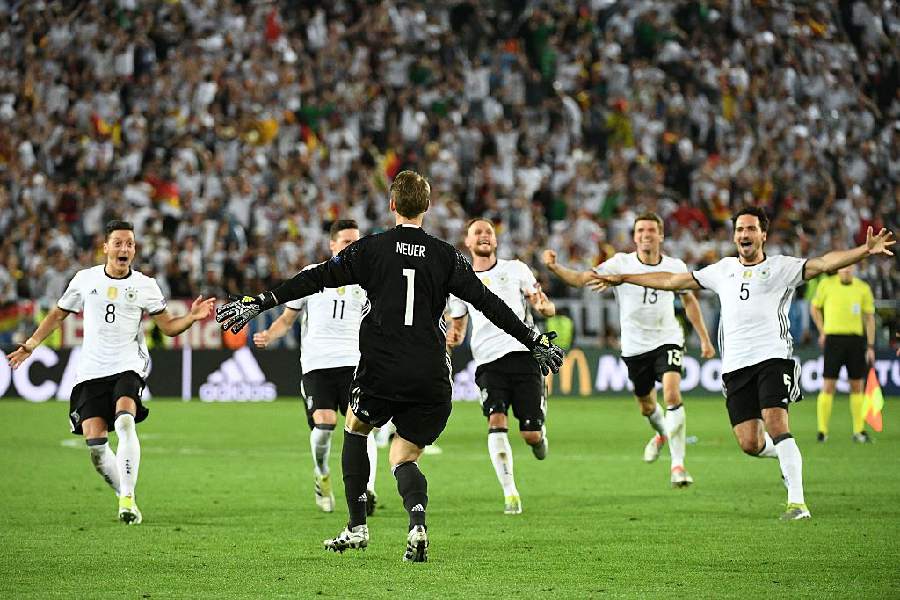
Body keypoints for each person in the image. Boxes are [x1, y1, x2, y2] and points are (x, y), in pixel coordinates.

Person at [215, 171, 563, 562]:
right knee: (403, 456)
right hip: (431, 375)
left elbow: (316, 278)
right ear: (427, 208)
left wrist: (259, 301)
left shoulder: (371, 249)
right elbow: (491, 304)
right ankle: (416, 523)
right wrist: (533, 339)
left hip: (382, 368)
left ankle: (357, 527)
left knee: (356, 428)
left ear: (392, 205)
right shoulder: (447, 255)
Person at [590, 206, 895, 520]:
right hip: (735, 366)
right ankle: (786, 459)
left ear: (763, 235)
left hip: (772, 357)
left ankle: (797, 503)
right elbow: (672, 279)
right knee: (750, 442)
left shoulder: (781, 268)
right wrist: (625, 277)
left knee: (776, 423)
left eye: (750, 229)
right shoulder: (723, 270)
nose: (744, 235)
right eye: (739, 230)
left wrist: (864, 251)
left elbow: (824, 263)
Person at [7, 220, 215, 525]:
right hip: (91, 371)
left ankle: (127, 500)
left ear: (134, 249)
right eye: (118, 242)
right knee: (96, 446)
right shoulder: (85, 279)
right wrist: (31, 344)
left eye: (129, 243)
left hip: (128, 365)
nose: (124, 248)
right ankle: (124, 494)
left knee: (126, 421)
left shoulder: (145, 284)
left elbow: (168, 327)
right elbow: (58, 313)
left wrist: (192, 318)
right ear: (105, 247)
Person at [542, 212, 715, 487]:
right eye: (641, 231)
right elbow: (582, 279)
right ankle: (661, 434)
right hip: (635, 346)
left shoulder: (675, 264)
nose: (646, 235)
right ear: (634, 237)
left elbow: (690, 300)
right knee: (648, 407)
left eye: (651, 230)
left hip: (668, 337)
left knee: (671, 394)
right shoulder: (619, 263)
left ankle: (678, 466)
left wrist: (704, 338)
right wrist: (555, 268)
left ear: (660, 235)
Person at [253, 219, 380, 514]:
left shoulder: (369, 280)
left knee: (362, 426)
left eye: (356, 241)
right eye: (347, 242)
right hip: (317, 366)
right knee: (324, 426)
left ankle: (368, 490)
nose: (353, 247)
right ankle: (322, 475)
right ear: (333, 245)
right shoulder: (312, 276)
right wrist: (270, 334)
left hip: (355, 364)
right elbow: (287, 319)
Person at [445, 218, 556, 515]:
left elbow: (540, 301)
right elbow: (457, 322)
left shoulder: (516, 269)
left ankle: (539, 437)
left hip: (523, 355)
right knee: (495, 421)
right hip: (488, 362)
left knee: (530, 434)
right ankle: (510, 493)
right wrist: (453, 336)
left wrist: (544, 307)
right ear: (467, 243)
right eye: (477, 232)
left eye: (489, 232)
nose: (484, 236)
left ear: (495, 241)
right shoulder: (461, 281)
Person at [809, 265, 876, 443]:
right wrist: (822, 331)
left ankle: (859, 431)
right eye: (843, 267)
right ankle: (822, 431)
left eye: (849, 267)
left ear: (854, 269)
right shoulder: (826, 285)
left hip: (855, 341)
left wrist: (870, 345)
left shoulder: (863, 288)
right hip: (834, 341)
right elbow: (814, 308)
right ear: (838, 269)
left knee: (857, 386)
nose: (845, 270)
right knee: (828, 385)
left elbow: (869, 317)